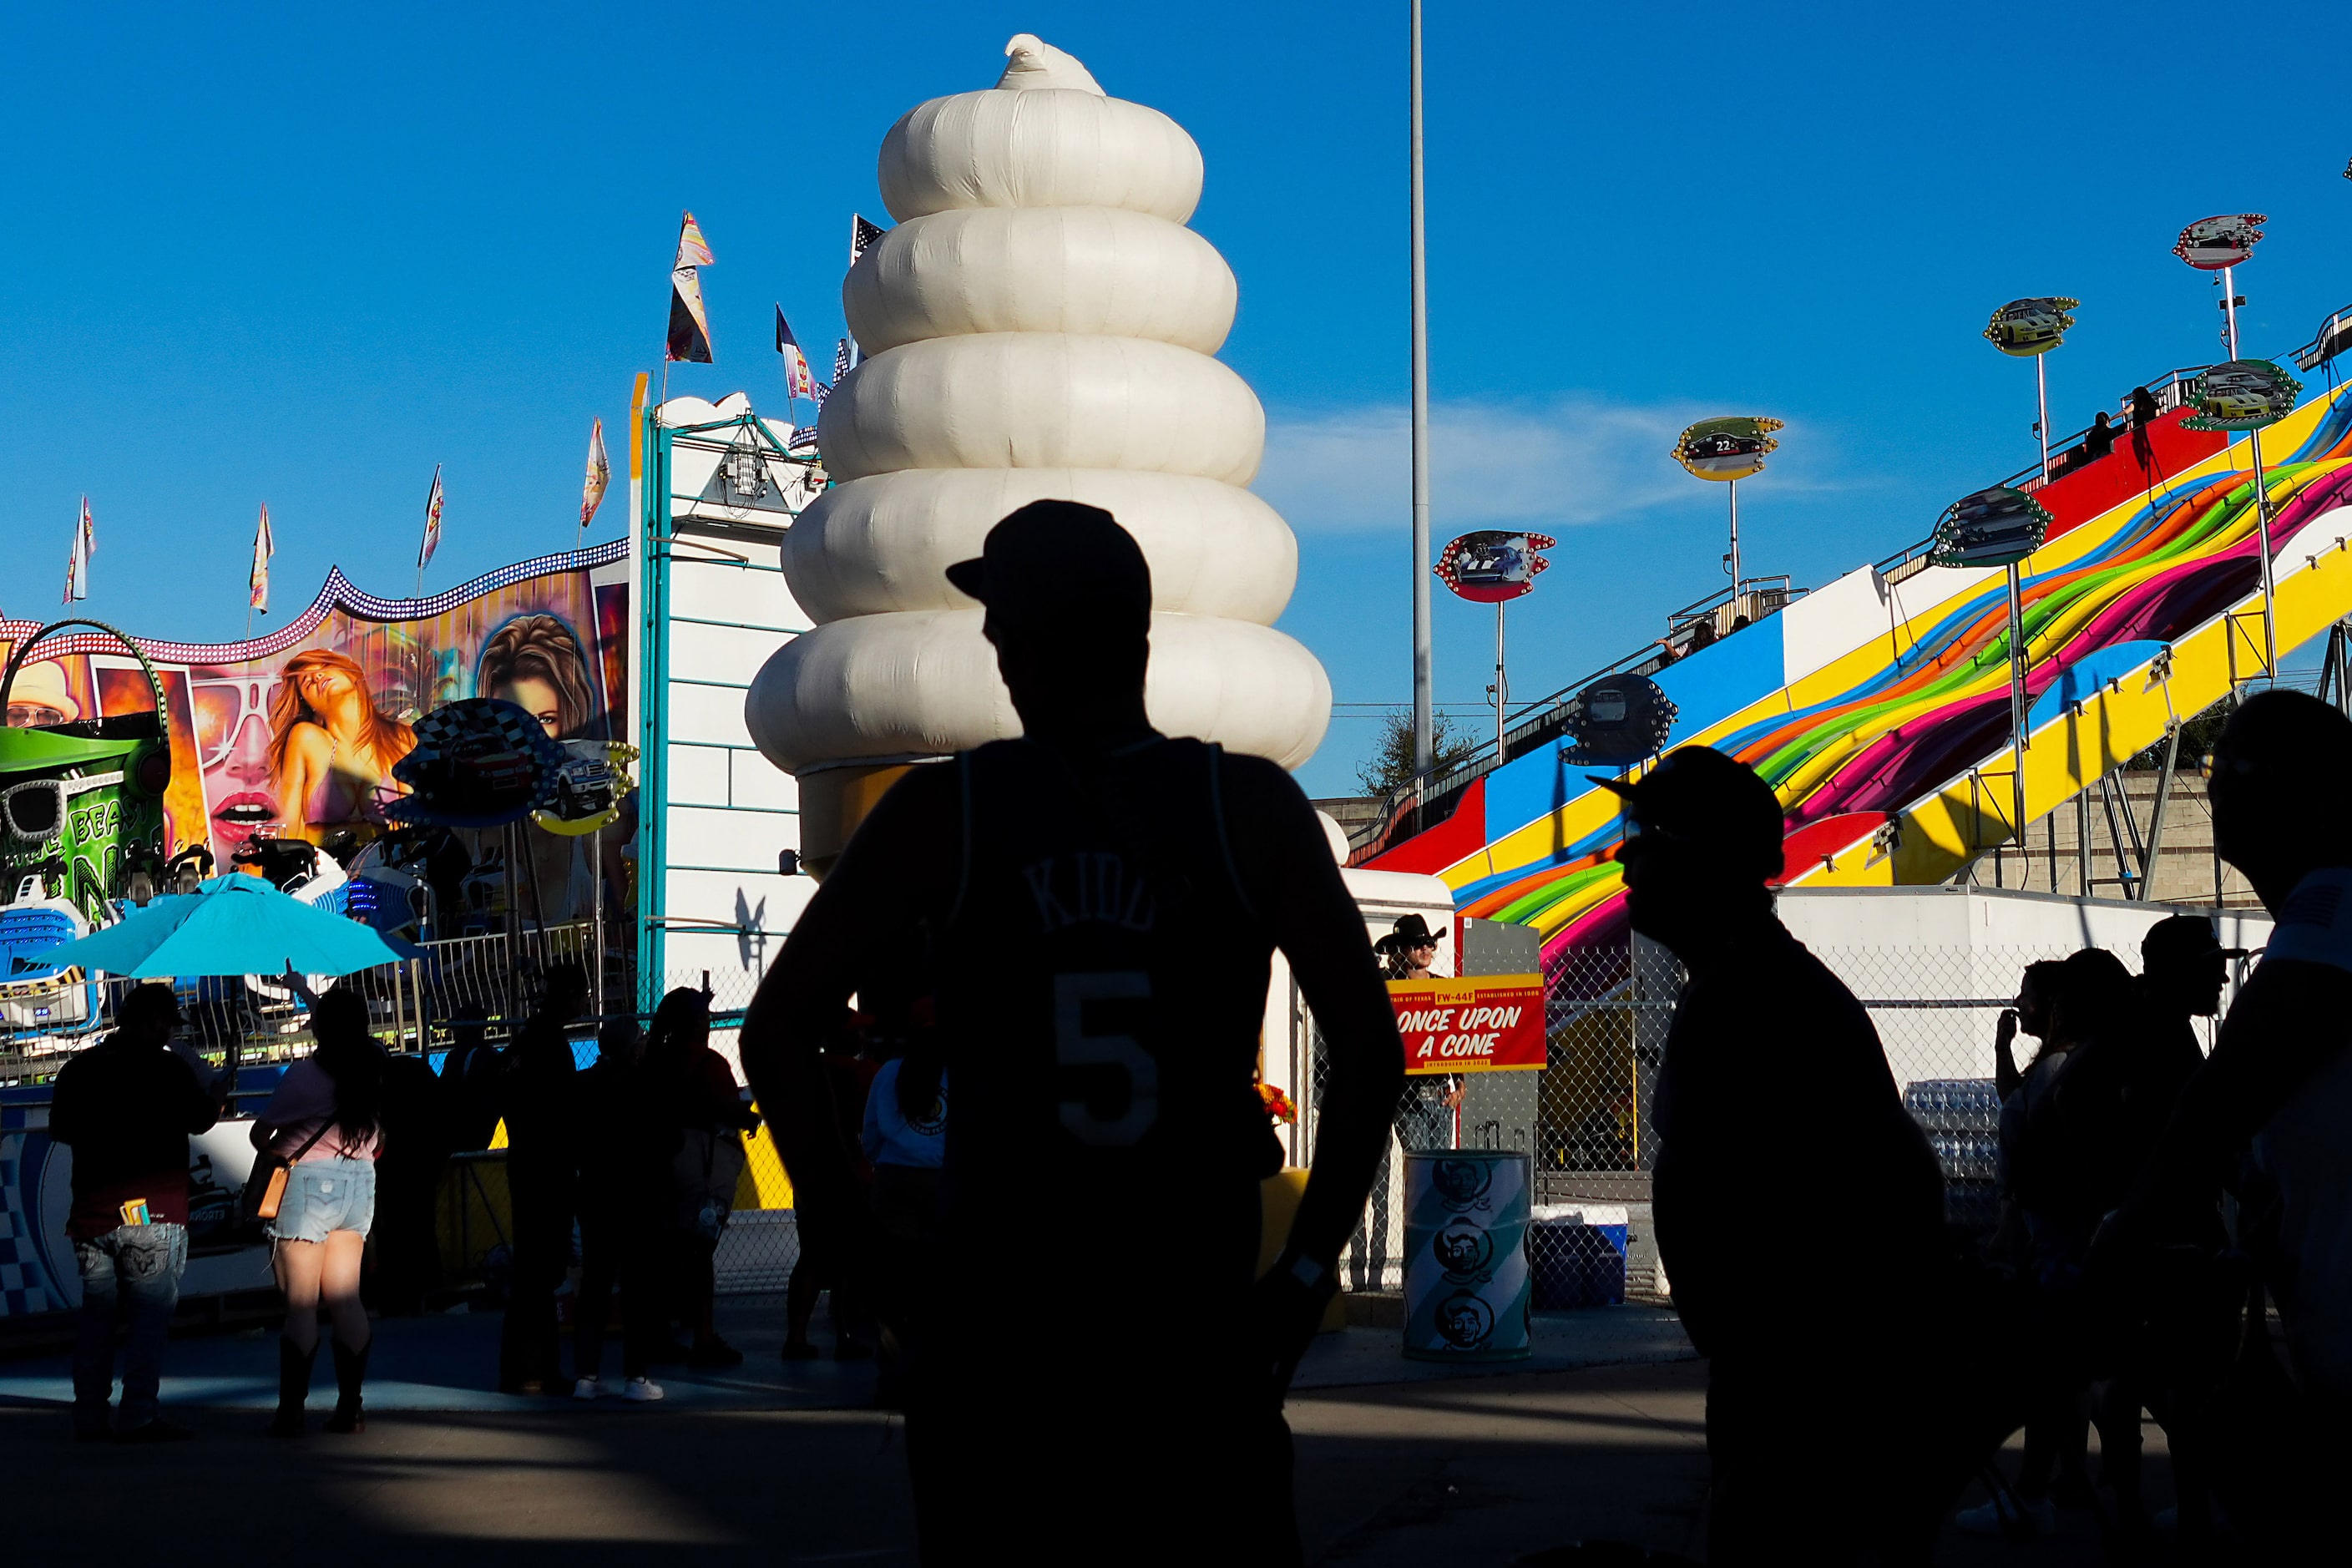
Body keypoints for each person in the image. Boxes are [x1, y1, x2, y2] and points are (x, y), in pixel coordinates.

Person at [738, 499, 1404, 1564]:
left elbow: (774, 1034)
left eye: (1003, 626)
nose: (996, 649)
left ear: (1026, 644)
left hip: (1003, 1338)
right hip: (1190, 1332)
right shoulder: (1253, 808)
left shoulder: (944, 813)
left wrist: (866, 1255)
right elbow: (1373, 1055)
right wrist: (1306, 1275)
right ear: (1138, 635)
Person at [1603, 746, 1959, 1562]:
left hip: (1817, 1407)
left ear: (1708, 859)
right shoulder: (1736, 983)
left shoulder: (1766, 1002)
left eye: (1648, 831)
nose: (1626, 853)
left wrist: (1801, 1403)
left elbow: (1893, 1193)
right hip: (1788, 1389)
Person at [2093, 692, 2352, 1555]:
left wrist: (2121, 1241)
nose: (2213, 792)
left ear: (2316, 797)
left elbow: (2218, 1105)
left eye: (2231, 769)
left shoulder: (2332, 912)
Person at [48, 984, 222, 1442]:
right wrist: (216, 1091)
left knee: (96, 1318)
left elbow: (60, 1128)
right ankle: (138, 1413)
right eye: (166, 1024)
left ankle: (89, 1414)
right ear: (158, 1022)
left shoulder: (79, 1068)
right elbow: (202, 1119)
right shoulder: (170, 1070)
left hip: (93, 1213)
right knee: (147, 1321)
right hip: (154, 1215)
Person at [252, 987, 385, 1437]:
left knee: (302, 1305)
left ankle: (291, 1411)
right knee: (347, 1299)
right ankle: (351, 1409)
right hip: (360, 1184)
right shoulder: (375, 1071)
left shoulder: (304, 1077)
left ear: (319, 1026)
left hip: (307, 1186)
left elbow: (261, 1133)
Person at [643, 986, 758, 1368]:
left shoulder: (655, 1060)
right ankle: (704, 1337)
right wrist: (746, 1116)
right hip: (703, 1161)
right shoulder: (708, 1063)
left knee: (666, 1253)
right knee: (700, 1252)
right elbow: (720, 1106)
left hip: (663, 1161)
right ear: (696, 1023)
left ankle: (659, 1334)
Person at [496, 962, 588, 1393]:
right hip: (547, 1169)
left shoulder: (523, 1043)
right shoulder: (551, 1045)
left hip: (525, 1162)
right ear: (569, 997)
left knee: (531, 1271)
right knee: (543, 1272)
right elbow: (563, 1112)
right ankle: (537, 1369)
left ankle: (524, 1367)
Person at [572, 1018, 672, 1401]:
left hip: (595, 1195)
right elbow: (665, 1141)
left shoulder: (584, 1085)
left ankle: (586, 1375)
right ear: (633, 1048)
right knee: (637, 1287)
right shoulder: (645, 1085)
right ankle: (636, 1377)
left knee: (595, 1284)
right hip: (636, 1197)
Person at [266, 648, 417, 843]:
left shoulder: (401, 737)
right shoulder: (306, 738)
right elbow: (289, 823)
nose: (317, 676)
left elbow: (413, 819)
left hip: (383, 867)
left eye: (325, 666)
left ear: (352, 675)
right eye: (306, 681)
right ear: (308, 703)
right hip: (323, 867)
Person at [372, 1038, 452, 1315]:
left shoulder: (383, 1085)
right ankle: (428, 1290)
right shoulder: (413, 1072)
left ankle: (400, 1294)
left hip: (402, 1162)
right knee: (419, 1225)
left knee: (396, 1228)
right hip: (422, 1159)